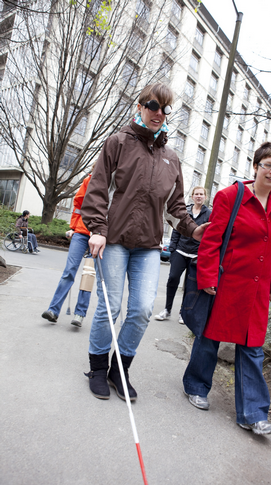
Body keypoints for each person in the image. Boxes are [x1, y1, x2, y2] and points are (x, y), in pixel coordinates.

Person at [81, 83, 208, 401]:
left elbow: (176, 206)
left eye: (166, 109)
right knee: (110, 308)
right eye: (154, 105)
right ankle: (97, 368)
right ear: (140, 106)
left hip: (149, 246)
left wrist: (194, 230)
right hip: (114, 240)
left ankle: (119, 370)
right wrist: (97, 227)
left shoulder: (171, 158)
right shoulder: (118, 143)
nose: (159, 113)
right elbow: (97, 188)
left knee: (140, 310)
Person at [183, 142, 271, 436]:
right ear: (255, 167)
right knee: (209, 339)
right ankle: (196, 386)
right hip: (227, 283)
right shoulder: (231, 196)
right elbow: (212, 239)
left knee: (252, 348)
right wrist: (206, 278)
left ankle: (252, 413)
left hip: (256, 292)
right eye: (267, 164)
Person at [42, 173, 93, 327]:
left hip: (99, 235)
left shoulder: (114, 182)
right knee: (69, 270)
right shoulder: (88, 180)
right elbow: (78, 205)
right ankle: (53, 310)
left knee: (88, 275)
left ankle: (80, 314)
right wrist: (73, 227)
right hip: (81, 232)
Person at [155, 186, 211, 324]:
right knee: (173, 278)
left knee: (189, 286)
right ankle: (167, 310)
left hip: (196, 255)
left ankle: (182, 313)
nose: (199, 196)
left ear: (205, 197)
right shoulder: (185, 211)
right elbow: (176, 230)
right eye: (196, 194)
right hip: (180, 250)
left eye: (201, 194)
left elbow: (209, 235)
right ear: (192, 196)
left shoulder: (209, 214)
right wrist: (173, 250)